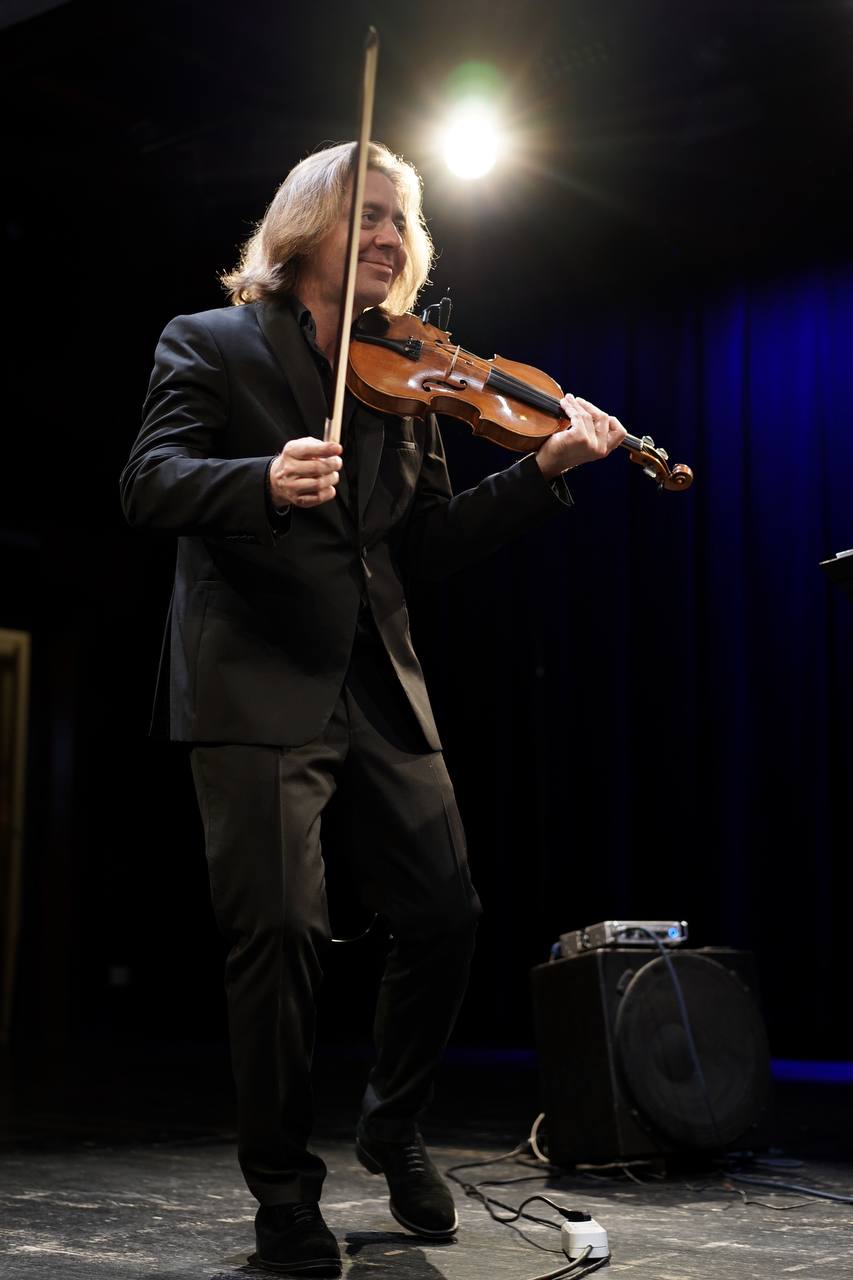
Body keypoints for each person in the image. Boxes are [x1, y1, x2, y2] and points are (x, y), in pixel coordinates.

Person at [120, 140, 626, 1277]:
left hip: (378, 674)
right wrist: (258, 480)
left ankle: (392, 1125)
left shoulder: (402, 373)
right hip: (252, 673)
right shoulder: (209, 342)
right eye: (372, 215)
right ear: (307, 226)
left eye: (404, 221)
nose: (393, 238)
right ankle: (282, 1189)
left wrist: (540, 470)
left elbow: (423, 544)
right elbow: (147, 481)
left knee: (446, 912)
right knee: (281, 933)